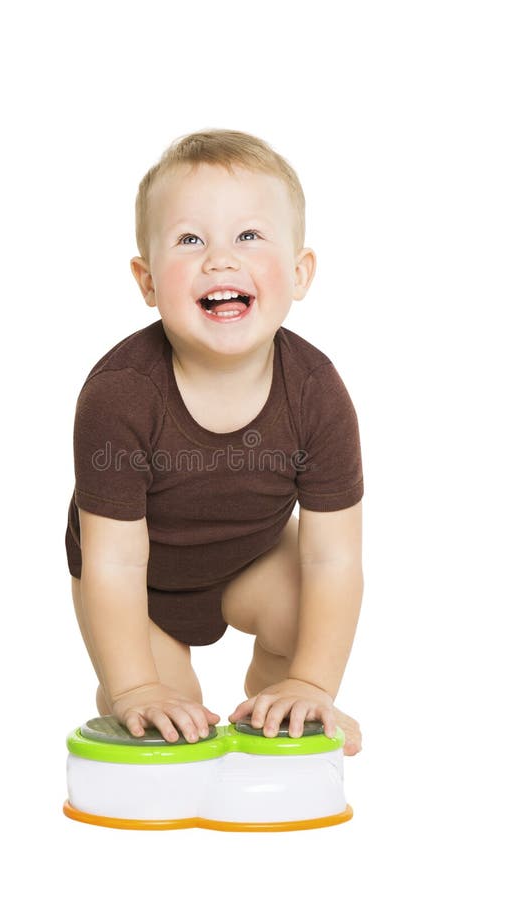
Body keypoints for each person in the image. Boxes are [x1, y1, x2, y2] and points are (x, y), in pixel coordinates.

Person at [65, 128, 364, 756]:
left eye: (249, 236)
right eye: (190, 240)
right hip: (136, 591)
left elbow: (334, 558)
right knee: (171, 718)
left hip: (246, 563)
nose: (220, 259)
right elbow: (113, 564)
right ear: (147, 283)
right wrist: (136, 689)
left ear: (300, 272)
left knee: (303, 606)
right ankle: (138, 684)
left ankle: (273, 696)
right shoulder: (119, 396)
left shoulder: (317, 392)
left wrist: (312, 683)